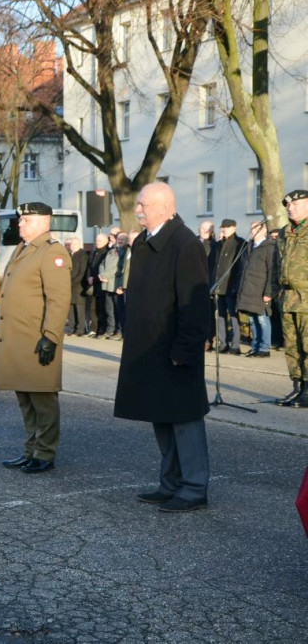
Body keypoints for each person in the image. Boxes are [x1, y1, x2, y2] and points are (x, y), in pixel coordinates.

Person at [114, 182, 212, 513]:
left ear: (165, 207)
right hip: (151, 348)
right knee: (161, 417)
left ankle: (194, 486)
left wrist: (184, 350)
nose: (137, 209)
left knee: (185, 420)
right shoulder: (146, 241)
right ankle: (170, 483)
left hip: (175, 350)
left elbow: (195, 303)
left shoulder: (184, 244)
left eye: (143, 204)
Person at [0, 202, 71, 474]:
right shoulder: (24, 249)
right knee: (25, 399)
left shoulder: (52, 252)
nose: (20, 224)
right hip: (20, 339)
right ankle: (30, 450)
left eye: (26, 220)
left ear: (43, 221)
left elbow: (59, 299)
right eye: (21, 219)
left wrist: (50, 336)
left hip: (37, 339)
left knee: (43, 400)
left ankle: (45, 453)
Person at [275, 189, 308, 407]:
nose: (289, 207)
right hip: (288, 297)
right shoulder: (285, 232)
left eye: (294, 204)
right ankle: (298, 386)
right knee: (292, 346)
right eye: (287, 205)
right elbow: (278, 264)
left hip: (307, 296)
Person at [236, 221, 278, 358]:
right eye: (251, 228)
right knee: (252, 320)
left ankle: (264, 348)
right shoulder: (249, 247)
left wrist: (268, 292)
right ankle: (255, 346)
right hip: (249, 290)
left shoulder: (269, 247)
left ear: (263, 231)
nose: (252, 231)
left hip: (260, 290)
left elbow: (272, 272)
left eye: (255, 228)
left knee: (262, 319)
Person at [212, 219, 246, 355]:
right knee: (220, 316)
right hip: (219, 286)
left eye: (226, 227)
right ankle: (222, 343)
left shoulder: (240, 243)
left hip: (231, 286)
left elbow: (240, 267)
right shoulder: (220, 244)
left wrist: (236, 286)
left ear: (234, 228)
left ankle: (235, 345)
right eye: (222, 228)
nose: (223, 230)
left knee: (233, 315)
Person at [199, 221, 219, 351]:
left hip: (207, 283)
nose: (205, 231)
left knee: (208, 315)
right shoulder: (193, 242)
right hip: (192, 282)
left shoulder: (214, 245)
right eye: (203, 229)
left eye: (208, 229)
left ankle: (208, 339)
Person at [88, 233, 111, 337]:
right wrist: (89, 277)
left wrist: (96, 278)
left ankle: (102, 329)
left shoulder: (107, 253)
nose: (97, 242)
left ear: (106, 241)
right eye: (96, 240)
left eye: (100, 241)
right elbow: (90, 266)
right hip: (93, 283)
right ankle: (94, 329)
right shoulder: (94, 252)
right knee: (93, 308)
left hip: (101, 283)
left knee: (102, 308)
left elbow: (104, 268)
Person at [66, 238, 90, 335]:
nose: (72, 246)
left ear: (80, 244)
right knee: (71, 308)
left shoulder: (83, 255)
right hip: (69, 286)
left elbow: (82, 272)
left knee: (79, 309)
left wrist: (72, 283)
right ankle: (72, 328)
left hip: (79, 286)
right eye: (71, 244)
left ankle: (80, 329)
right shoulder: (69, 255)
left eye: (75, 244)